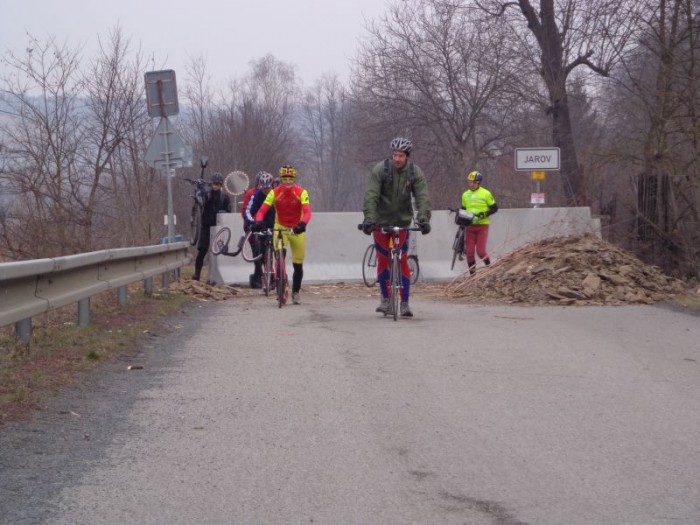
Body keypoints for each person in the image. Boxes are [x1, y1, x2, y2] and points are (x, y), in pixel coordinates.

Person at [361, 137, 431, 317]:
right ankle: (385, 300)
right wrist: (369, 218)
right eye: (395, 155)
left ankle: (405, 303)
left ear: (407, 156)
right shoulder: (381, 170)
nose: (397, 159)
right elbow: (371, 196)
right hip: (381, 222)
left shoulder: (414, 172)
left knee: (402, 260)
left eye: (401, 155)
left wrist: (423, 218)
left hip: (402, 222)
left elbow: (422, 197)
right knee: (383, 260)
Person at [252, 165, 311, 305]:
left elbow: (307, 211)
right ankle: (281, 286)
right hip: (280, 228)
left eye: (290, 179)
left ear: (294, 179)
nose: (287, 182)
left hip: (296, 229)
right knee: (279, 258)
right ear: (281, 179)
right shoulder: (274, 193)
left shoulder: (302, 192)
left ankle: (296, 292)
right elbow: (261, 211)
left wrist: (302, 224)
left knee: (298, 264)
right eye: (285, 179)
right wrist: (258, 221)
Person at [193, 172, 232, 281]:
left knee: (219, 253)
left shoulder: (225, 197)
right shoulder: (208, 194)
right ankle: (197, 274)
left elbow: (229, 211)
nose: (215, 186)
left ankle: (218, 276)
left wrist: (224, 212)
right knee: (202, 251)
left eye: (217, 184)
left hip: (219, 228)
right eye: (213, 184)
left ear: (221, 185)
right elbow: (200, 198)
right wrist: (200, 187)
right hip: (206, 226)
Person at [461, 170, 498, 275]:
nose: (471, 185)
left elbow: (495, 208)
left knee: (481, 252)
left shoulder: (486, 193)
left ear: (478, 183)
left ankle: (489, 268)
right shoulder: (465, 195)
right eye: (469, 182)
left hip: (482, 226)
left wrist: (484, 214)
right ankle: (473, 276)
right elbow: (463, 209)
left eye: (473, 182)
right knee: (469, 253)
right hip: (470, 226)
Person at [244, 172, 276, 289]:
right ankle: (263, 278)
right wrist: (252, 224)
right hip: (261, 226)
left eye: (268, 187)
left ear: (272, 185)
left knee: (277, 251)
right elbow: (248, 211)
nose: (266, 190)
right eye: (263, 187)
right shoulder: (256, 195)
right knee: (260, 252)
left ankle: (278, 275)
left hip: (275, 224)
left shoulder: (276, 194)